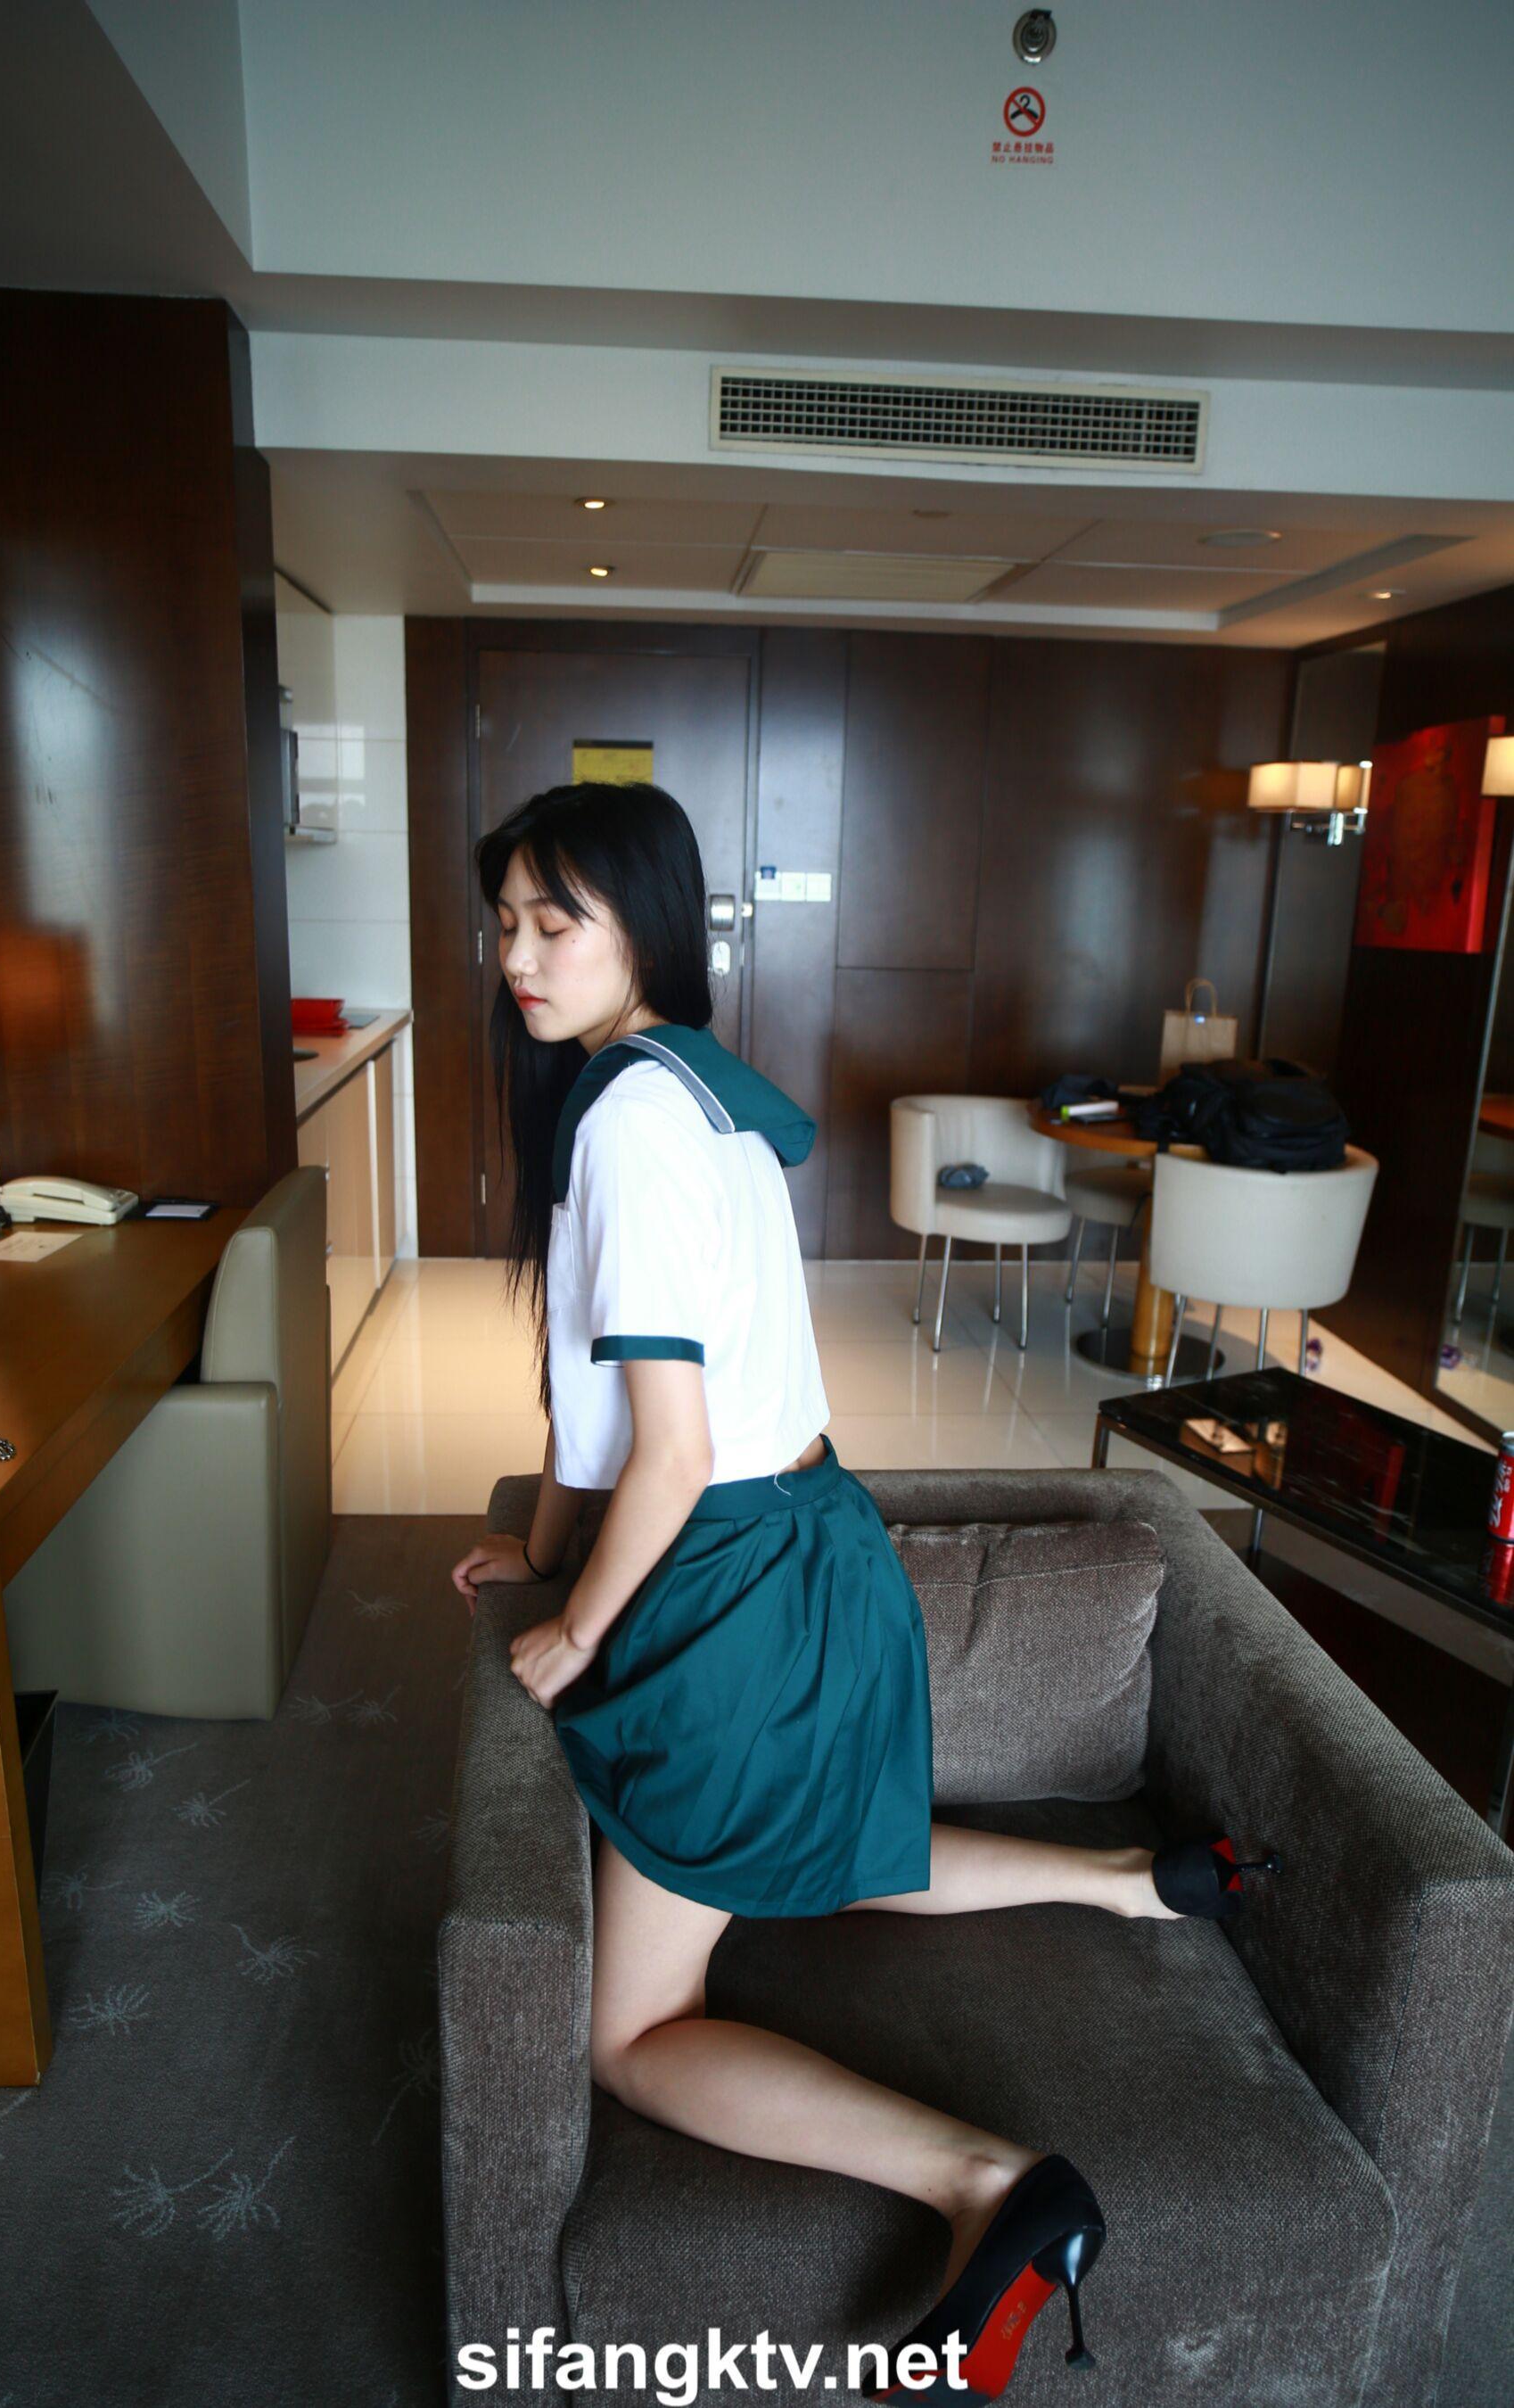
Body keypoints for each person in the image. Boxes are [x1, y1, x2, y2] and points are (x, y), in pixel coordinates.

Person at [449, 780, 1280, 2397]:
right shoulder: (699, 1090)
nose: (519, 958)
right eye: (504, 926)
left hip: (728, 1588)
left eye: (556, 922)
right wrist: (545, 1542)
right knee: (826, 1856)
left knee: (632, 2036)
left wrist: (573, 1623)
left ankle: (988, 2184)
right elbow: (592, 1402)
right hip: (824, 1547)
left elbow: (671, 1453)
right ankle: (1138, 1885)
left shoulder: (624, 1120)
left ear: (643, 929)